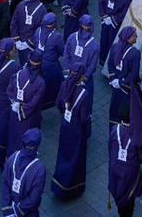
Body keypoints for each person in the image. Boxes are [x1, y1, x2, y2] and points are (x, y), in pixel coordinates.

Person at [51, 70, 91, 199]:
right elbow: (84, 119)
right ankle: (71, 187)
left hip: (65, 126)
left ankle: (59, 182)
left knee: (63, 153)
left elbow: (58, 104)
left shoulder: (64, 85)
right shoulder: (84, 94)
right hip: (77, 130)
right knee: (75, 158)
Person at [108, 98, 142, 217]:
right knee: (128, 200)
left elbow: (110, 149)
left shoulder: (114, 130)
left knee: (118, 194)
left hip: (115, 168)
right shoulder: (138, 136)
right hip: (129, 172)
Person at [6, 48, 46, 158]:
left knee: (13, 136)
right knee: (27, 139)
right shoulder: (40, 82)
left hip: (15, 112)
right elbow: (34, 103)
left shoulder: (19, 73)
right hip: (30, 117)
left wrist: (15, 103)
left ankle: (10, 158)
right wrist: (23, 110)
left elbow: (9, 91)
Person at [0, 38, 19, 167]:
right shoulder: (13, 67)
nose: (15, 50)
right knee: (5, 127)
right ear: (9, 52)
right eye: (13, 49)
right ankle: (2, 157)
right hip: (5, 101)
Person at [3, 127, 47, 216]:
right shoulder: (39, 169)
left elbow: (5, 183)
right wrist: (18, 211)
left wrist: (8, 209)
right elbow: (34, 198)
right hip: (28, 213)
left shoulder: (12, 157)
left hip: (10, 209)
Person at [108, 26, 141, 127]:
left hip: (116, 87)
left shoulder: (114, 46)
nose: (136, 37)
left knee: (115, 106)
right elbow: (134, 73)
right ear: (128, 38)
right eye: (134, 35)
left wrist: (114, 79)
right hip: (128, 88)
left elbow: (110, 65)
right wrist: (122, 82)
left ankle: (115, 126)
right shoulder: (135, 53)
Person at [99, 0, 132, 66]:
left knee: (104, 39)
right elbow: (125, 11)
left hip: (106, 21)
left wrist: (103, 16)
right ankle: (111, 61)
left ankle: (102, 59)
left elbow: (100, 3)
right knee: (113, 42)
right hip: (115, 23)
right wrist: (114, 19)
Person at [10, 0, 46, 65]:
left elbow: (14, 23)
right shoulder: (42, 9)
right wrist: (29, 42)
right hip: (33, 44)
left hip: (20, 42)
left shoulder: (21, 4)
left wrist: (16, 40)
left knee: (23, 65)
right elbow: (41, 29)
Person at [36, 12, 65, 110]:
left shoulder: (38, 30)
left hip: (38, 63)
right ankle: (60, 105)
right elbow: (62, 51)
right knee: (59, 85)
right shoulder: (56, 36)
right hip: (51, 65)